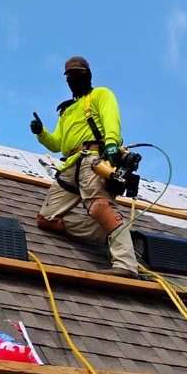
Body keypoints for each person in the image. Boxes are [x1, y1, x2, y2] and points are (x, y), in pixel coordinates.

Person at [30, 56, 139, 278]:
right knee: (47, 218)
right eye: (70, 76)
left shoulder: (100, 95)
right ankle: (110, 232)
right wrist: (41, 133)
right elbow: (59, 144)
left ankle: (126, 264)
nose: (73, 79)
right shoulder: (67, 111)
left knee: (100, 207)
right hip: (70, 164)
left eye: (78, 74)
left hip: (93, 158)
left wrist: (111, 144)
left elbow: (111, 119)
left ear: (88, 74)